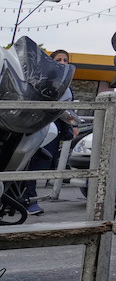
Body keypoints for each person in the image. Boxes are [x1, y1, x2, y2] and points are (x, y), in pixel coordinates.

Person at [22, 49, 76, 216]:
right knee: (26, 163)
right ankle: (26, 198)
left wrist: (73, 124)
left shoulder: (65, 85)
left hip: (52, 132)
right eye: (58, 59)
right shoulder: (38, 78)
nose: (62, 62)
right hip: (33, 127)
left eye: (65, 60)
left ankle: (28, 198)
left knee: (39, 165)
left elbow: (68, 110)